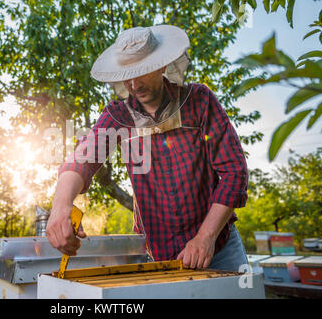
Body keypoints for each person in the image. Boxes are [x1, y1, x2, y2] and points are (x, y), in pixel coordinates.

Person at [46, 25, 249, 271]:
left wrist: (205, 237)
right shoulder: (118, 115)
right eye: (127, 75)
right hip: (159, 256)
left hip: (219, 249)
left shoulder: (200, 101)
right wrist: (60, 206)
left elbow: (234, 172)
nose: (134, 84)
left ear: (162, 65)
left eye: (141, 72)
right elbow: (83, 159)